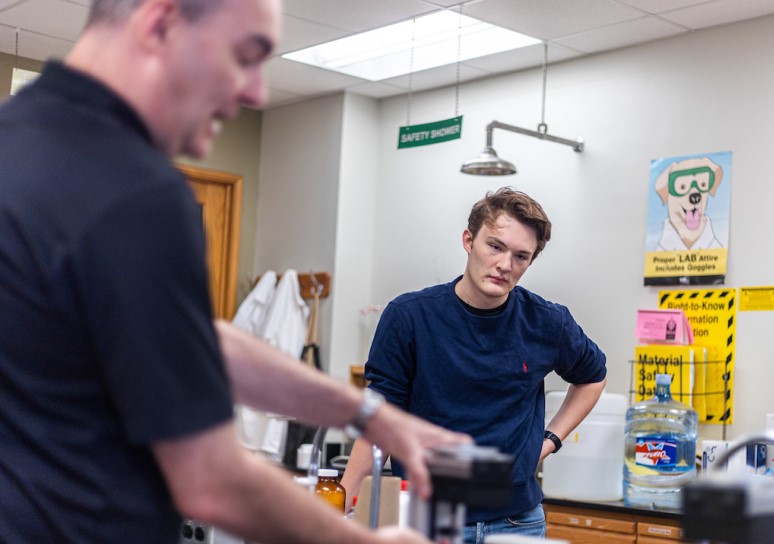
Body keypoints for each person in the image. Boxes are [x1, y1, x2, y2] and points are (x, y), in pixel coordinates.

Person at [0, 1, 469, 543]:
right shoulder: (135, 192)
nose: (255, 92)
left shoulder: (19, 143)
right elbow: (210, 478)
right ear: (160, 22)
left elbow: (190, 342)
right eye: (245, 57)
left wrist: (370, 414)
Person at [340, 187, 608, 542]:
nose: (505, 265)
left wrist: (549, 441)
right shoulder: (409, 317)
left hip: (517, 522)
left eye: (521, 256)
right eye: (495, 246)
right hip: (427, 519)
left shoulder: (547, 322)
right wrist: (343, 501)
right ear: (469, 240)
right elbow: (381, 415)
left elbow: (594, 377)